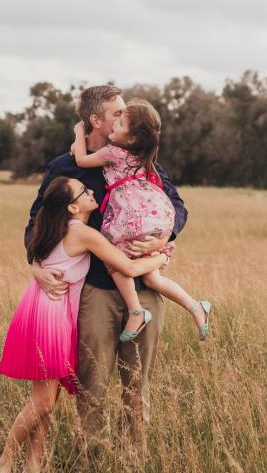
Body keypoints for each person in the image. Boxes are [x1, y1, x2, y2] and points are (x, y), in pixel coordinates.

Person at [25, 85, 188, 446]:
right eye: (117, 113)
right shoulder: (66, 168)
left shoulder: (142, 160)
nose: (124, 117)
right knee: (92, 384)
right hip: (95, 291)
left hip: (145, 290)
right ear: (96, 121)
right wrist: (35, 266)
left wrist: (164, 238)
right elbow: (36, 222)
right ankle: (91, 462)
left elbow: (178, 207)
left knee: (137, 383)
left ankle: (134, 461)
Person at [0, 176, 169, 473]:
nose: (92, 191)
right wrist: (160, 256)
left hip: (45, 310)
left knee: (49, 399)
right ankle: (4, 461)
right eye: (84, 192)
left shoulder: (57, 228)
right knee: (44, 402)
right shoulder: (82, 233)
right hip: (50, 315)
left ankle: (32, 469)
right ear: (73, 207)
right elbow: (126, 267)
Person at [73, 99, 211, 342]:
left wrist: (77, 135)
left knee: (114, 255)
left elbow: (82, 161)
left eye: (122, 121)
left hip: (131, 218)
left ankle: (136, 310)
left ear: (131, 139)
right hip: (156, 216)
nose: (116, 123)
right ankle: (195, 306)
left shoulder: (113, 152)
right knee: (153, 277)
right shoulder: (145, 159)